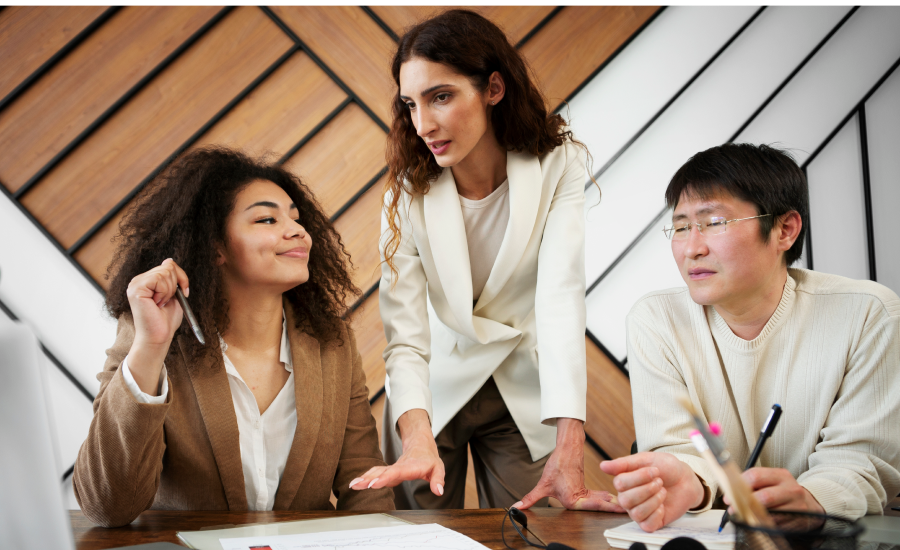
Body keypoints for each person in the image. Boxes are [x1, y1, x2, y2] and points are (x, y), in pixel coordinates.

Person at [349, 10, 622, 513]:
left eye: (442, 96)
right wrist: (415, 438)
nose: (423, 123)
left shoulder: (558, 165)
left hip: (520, 384)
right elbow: (405, 340)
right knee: (420, 541)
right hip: (429, 395)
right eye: (411, 104)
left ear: (493, 88)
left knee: (533, 534)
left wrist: (569, 443)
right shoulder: (404, 197)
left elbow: (561, 299)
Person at [74, 147, 394, 527]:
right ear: (215, 247)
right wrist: (152, 347)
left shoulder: (332, 341)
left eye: (296, 217)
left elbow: (366, 484)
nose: (297, 230)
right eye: (265, 219)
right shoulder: (153, 335)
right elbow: (106, 506)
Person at [601, 143, 900, 531]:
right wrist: (687, 481)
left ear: (784, 230)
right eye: (680, 228)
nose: (692, 247)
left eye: (714, 222)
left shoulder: (866, 313)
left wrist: (812, 500)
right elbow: (678, 450)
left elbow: (862, 461)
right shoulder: (657, 320)